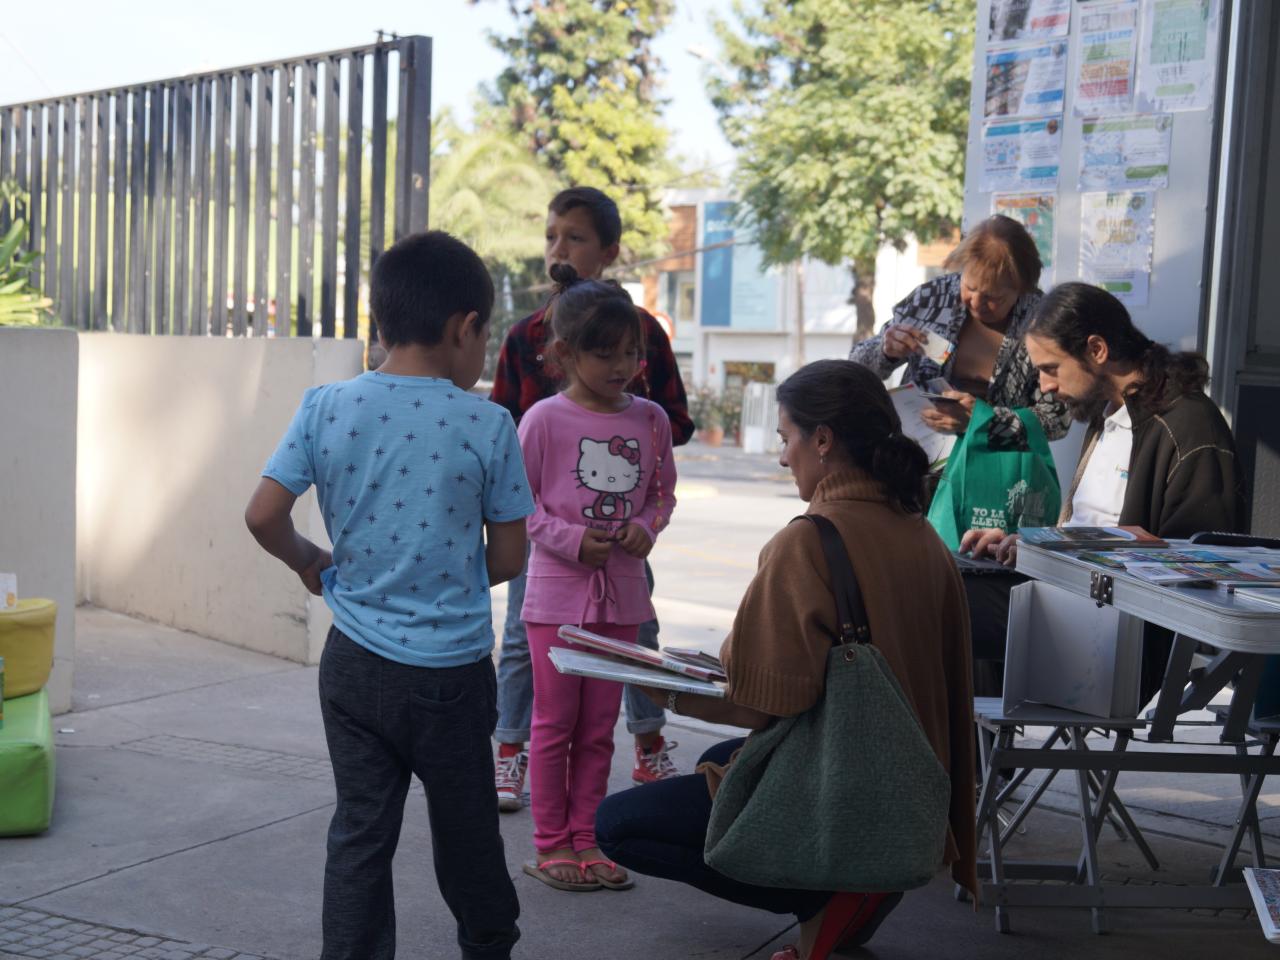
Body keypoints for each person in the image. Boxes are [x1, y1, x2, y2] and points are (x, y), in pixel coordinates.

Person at [596, 360, 976, 959]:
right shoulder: (920, 531)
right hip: (913, 787)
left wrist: (659, 685)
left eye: (785, 438)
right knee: (720, 761)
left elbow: (763, 705)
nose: (780, 457)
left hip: (853, 787)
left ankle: (826, 891)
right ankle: (852, 885)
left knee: (617, 825)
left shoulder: (809, 539)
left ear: (822, 440)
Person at [244, 232, 533, 960]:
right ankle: (488, 942)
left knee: (361, 833)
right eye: (485, 336)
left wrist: (312, 561)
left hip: (351, 667)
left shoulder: (326, 406)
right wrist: (450, 575)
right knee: (466, 829)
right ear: (465, 328)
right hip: (449, 677)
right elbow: (509, 556)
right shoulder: (488, 423)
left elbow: (262, 515)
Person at [490, 186, 694, 810]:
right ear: (563, 354)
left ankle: (648, 742)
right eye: (553, 235)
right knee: (526, 644)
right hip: (550, 539)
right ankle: (508, 750)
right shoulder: (527, 333)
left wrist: (642, 513)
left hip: (621, 534)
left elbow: (672, 422)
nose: (560, 248)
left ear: (608, 251)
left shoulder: (646, 333)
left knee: (637, 636)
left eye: (574, 237)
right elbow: (503, 429)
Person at [960, 282, 1244, 701]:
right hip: (1073, 597)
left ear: (1097, 349)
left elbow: (1195, 562)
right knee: (936, 579)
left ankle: (953, 760)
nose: (1044, 387)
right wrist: (1030, 543)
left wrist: (1051, 547)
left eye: (1051, 368)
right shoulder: (1110, 412)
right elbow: (1090, 528)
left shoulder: (1188, 426)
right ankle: (970, 759)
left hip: (1118, 629)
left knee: (934, 604)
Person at [517, 268, 678, 892]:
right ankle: (551, 842)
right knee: (554, 725)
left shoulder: (651, 420)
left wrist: (646, 527)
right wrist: (570, 539)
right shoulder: (542, 421)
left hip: (623, 599)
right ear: (565, 354)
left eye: (632, 352)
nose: (623, 366)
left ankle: (588, 840)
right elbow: (520, 505)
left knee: (599, 727)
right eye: (604, 353)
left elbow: (663, 494)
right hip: (554, 599)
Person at [850, 215, 1070, 454]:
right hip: (918, 460)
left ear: (1021, 289)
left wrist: (985, 422)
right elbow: (856, 366)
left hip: (993, 472)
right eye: (969, 287)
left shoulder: (1042, 323)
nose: (975, 302)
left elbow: (1058, 419)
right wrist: (885, 351)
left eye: (992, 297)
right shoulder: (933, 298)